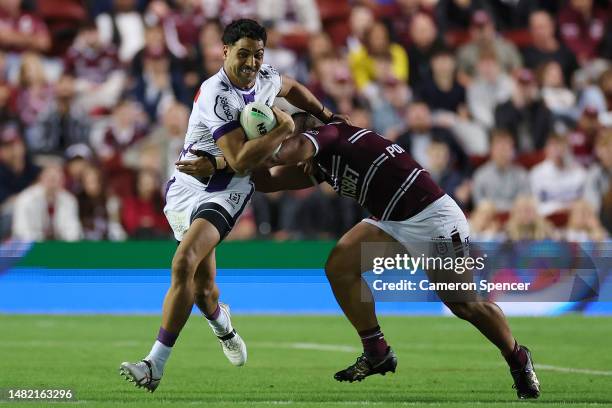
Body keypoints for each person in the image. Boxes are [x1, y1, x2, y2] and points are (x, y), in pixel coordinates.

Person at [191, 112, 541, 399]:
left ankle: (517, 355)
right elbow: (268, 182)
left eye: (288, 132)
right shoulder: (322, 162)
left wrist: (230, 157)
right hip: (391, 220)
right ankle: (377, 351)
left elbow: (287, 151)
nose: (285, 138)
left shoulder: (331, 134)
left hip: (432, 217)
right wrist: (235, 164)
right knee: (339, 267)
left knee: (464, 304)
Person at [119, 19, 349, 392]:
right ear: (225, 51)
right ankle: (222, 325)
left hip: (227, 190)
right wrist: (283, 128)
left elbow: (290, 88)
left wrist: (324, 114)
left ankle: (153, 365)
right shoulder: (216, 94)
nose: (251, 63)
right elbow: (240, 156)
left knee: (183, 263)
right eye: (243, 54)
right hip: (187, 188)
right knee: (204, 289)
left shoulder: (264, 78)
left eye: (258, 55)